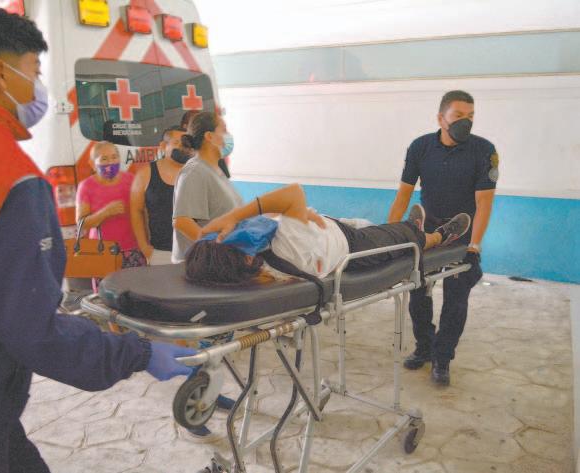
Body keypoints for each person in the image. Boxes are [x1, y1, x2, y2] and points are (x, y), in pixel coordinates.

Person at [0, 8, 197, 472]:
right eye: (34, 71)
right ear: (1, 73)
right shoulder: (14, 179)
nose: (38, 86)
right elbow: (32, 330)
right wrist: (139, 352)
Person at [388, 90, 498, 386]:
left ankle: (442, 357)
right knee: (418, 292)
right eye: (458, 116)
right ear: (441, 118)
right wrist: (390, 235)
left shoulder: (484, 150)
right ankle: (424, 347)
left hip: (462, 233)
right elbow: (403, 195)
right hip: (426, 231)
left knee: (456, 298)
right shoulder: (420, 147)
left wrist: (474, 245)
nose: (466, 122)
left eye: (471, 116)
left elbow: (484, 203)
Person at [185, 183, 471, 285]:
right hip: (351, 246)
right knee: (404, 238)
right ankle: (437, 236)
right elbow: (292, 192)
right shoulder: (286, 246)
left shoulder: (265, 257)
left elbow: (278, 215)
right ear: (246, 259)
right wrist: (234, 216)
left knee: (378, 227)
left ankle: (409, 230)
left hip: (326, 230)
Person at [172, 111, 242, 264]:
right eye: (224, 130)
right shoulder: (194, 171)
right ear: (209, 136)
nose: (228, 135)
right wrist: (216, 251)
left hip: (223, 261)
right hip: (203, 264)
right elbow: (182, 221)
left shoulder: (216, 171)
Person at [76, 141, 145, 269]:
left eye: (114, 157)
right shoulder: (86, 186)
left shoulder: (130, 180)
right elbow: (81, 223)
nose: (110, 162)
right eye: (104, 159)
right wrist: (105, 212)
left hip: (132, 249)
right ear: (93, 164)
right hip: (102, 252)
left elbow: (142, 212)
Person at [130, 126, 190, 265]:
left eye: (185, 144)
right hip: (160, 252)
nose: (182, 147)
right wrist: (144, 247)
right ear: (163, 146)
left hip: (194, 250)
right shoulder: (145, 174)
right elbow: (136, 211)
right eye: (176, 142)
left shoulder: (197, 173)